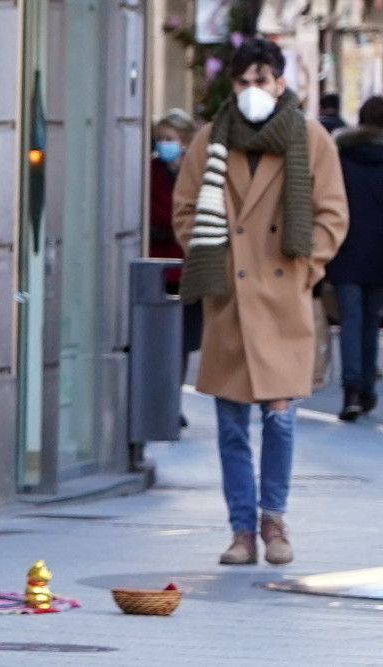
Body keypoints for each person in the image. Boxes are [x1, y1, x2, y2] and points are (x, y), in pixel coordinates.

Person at [173, 39, 348, 566]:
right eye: (244, 83)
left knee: (280, 417)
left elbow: (332, 214)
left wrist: (303, 270)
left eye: (262, 81)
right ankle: (240, 530)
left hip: (281, 298)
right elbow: (185, 212)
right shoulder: (209, 140)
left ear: (279, 82)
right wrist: (217, 261)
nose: (253, 92)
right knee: (230, 426)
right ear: (233, 85)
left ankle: (273, 520)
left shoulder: (309, 137)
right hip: (229, 298)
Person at [327, 96, 383, 421]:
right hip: (378, 255)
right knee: (370, 322)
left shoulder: (341, 157)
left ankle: (350, 390)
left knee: (350, 320)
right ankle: (367, 390)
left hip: (345, 249)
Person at [149, 109, 202, 428]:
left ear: (185, 142)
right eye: (160, 139)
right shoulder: (151, 171)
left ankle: (174, 400)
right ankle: (162, 403)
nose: (164, 145)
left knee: (182, 344)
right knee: (160, 343)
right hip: (160, 267)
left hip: (187, 268)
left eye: (170, 139)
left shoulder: (196, 173)